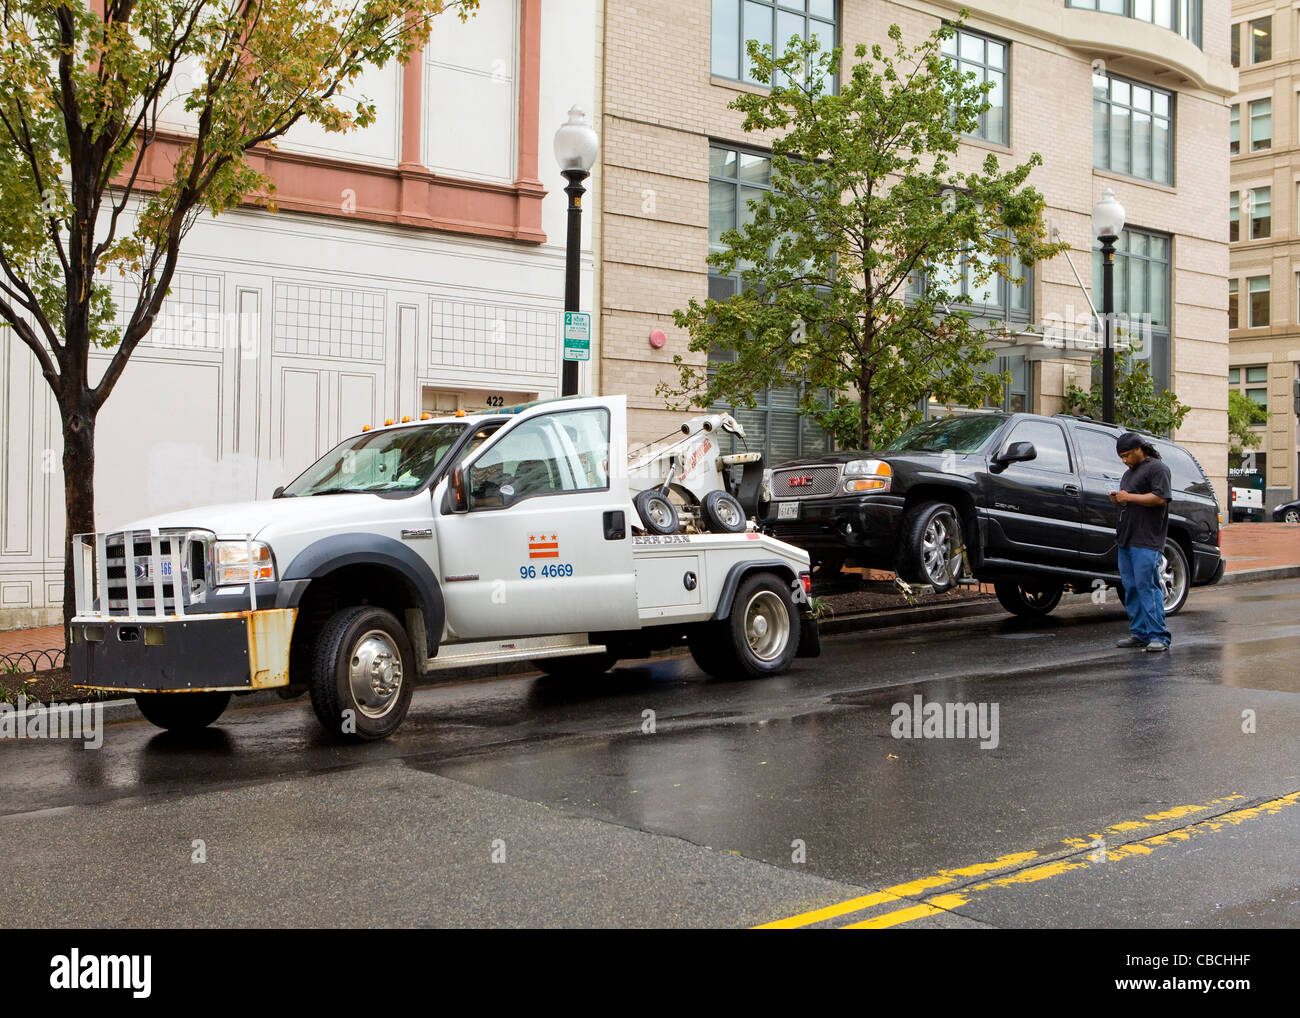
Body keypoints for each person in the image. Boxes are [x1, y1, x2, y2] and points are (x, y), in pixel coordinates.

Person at [1108, 432, 1173, 653]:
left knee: (1147, 585)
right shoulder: (1129, 474)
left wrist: (1128, 497)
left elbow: (1160, 497)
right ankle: (1140, 633)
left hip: (1147, 539)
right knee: (1131, 587)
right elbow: (1130, 501)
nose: (1124, 460)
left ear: (1139, 449)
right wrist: (1118, 499)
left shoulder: (1157, 468)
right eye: (1121, 457)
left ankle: (1159, 636)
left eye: (1127, 455)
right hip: (1126, 537)